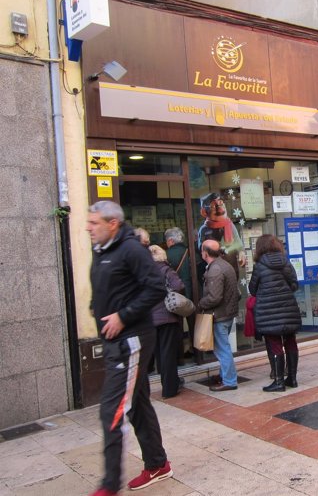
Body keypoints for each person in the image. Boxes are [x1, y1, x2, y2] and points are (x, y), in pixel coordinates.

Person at [86, 201, 172, 496]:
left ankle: (109, 485)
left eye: (94, 222)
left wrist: (123, 316)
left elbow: (156, 288)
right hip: (114, 341)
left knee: (112, 408)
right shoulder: (103, 251)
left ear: (113, 223)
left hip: (132, 340)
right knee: (136, 404)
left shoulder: (132, 250)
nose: (88, 227)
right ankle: (158, 463)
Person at [249, 234, 302, 392]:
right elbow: (294, 284)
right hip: (288, 308)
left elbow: (252, 289)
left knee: (275, 343)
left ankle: (279, 382)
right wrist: (284, 292)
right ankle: (292, 379)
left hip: (269, 310)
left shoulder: (259, 266)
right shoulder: (285, 262)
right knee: (290, 341)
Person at [198, 240, 240, 391]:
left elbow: (215, 297)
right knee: (224, 348)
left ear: (205, 253)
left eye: (202, 250)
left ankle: (229, 381)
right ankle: (225, 375)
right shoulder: (225, 264)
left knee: (222, 350)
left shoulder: (215, 269)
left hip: (219, 315)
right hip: (227, 314)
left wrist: (200, 304)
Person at [149, 245, 185, 399]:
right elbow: (179, 286)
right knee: (168, 353)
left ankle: (166, 384)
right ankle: (170, 388)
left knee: (159, 353)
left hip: (151, 319)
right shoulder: (166, 270)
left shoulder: (145, 272)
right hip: (167, 316)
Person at [198, 192, 246, 278]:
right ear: (204, 212)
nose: (220, 210)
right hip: (215, 267)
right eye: (214, 207)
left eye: (221, 204)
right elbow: (201, 247)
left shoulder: (230, 225)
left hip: (231, 265)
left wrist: (241, 251)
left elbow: (238, 241)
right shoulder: (204, 229)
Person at [165, 227, 195, 362]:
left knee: (176, 326)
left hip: (175, 295)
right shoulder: (190, 252)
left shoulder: (166, 255)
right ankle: (196, 350)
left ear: (170, 241)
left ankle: (179, 356)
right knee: (193, 323)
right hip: (191, 292)